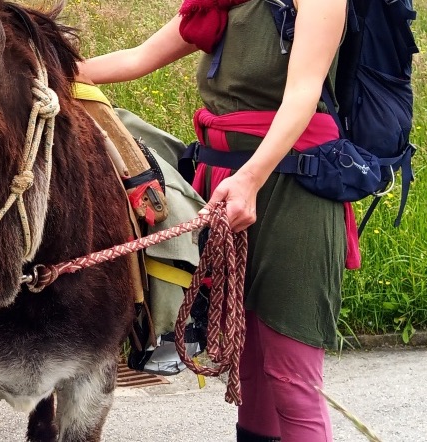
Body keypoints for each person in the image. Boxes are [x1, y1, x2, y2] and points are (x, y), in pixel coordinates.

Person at [76, 0, 349, 441]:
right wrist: (35, 68)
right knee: (248, 362)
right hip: (225, 179)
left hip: (293, 186)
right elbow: (137, 58)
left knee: (289, 370)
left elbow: (303, 93)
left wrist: (250, 179)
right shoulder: (218, 3)